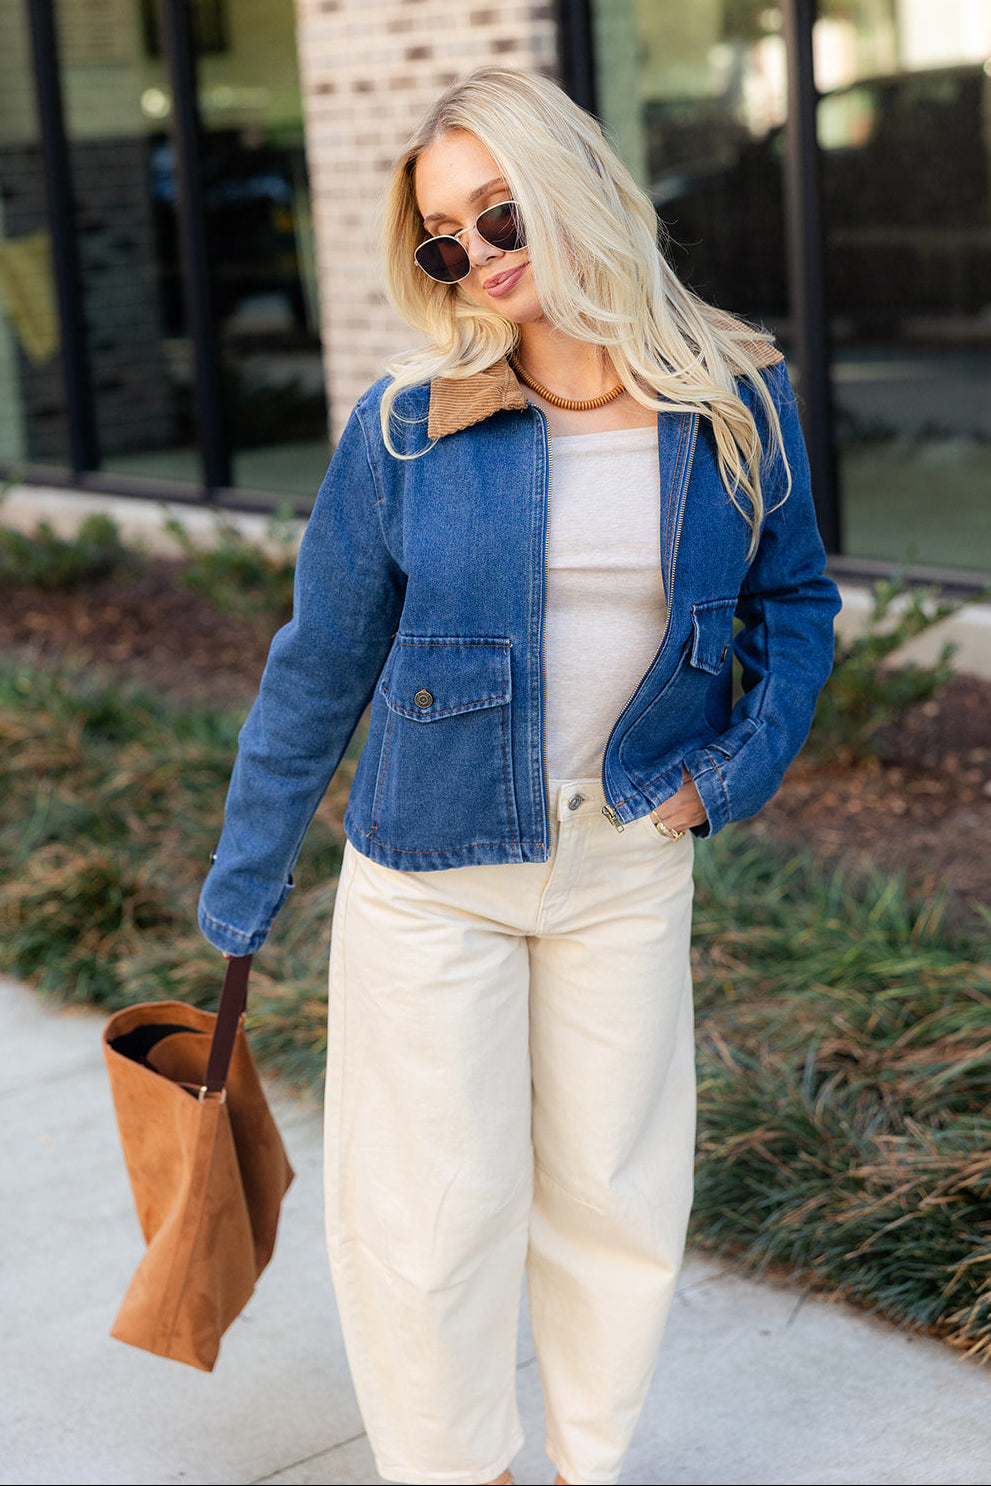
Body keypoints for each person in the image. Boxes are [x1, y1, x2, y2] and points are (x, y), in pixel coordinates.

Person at [198, 66, 841, 1486]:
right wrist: (244, 890)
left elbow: (796, 608)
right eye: (445, 240)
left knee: (616, 1195)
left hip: (625, 856)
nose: (479, 257)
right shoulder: (405, 429)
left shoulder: (736, 396)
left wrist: (720, 781)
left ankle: (581, 1466)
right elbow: (317, 668)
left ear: (574, 185)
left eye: (497, 215)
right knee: (434, 1217)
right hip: (432, 873)